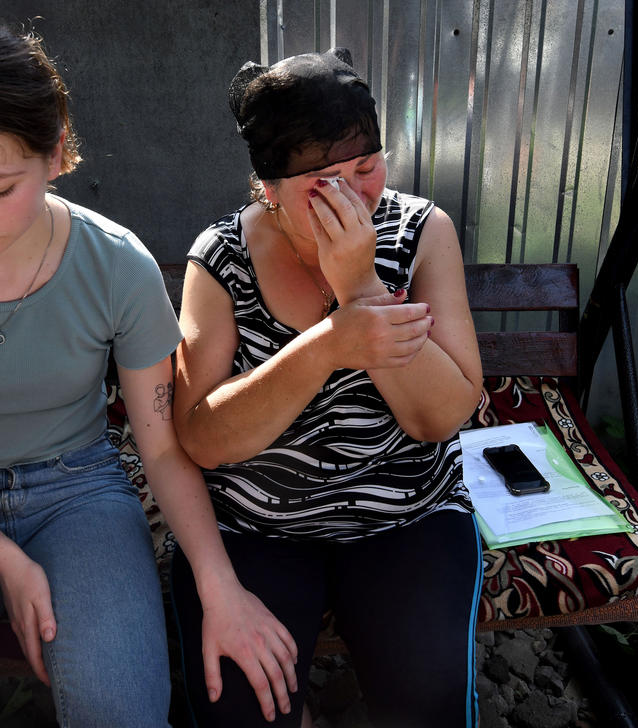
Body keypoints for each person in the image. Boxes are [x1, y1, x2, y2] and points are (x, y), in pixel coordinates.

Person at [0, 15, 296, 728]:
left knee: (120, 708)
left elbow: (160, 447)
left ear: (56, 151)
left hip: (83, 491)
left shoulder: (117, 264)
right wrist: (8, 560)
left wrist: (219, 585)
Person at [170, 50, 485, 728]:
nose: (350, 195)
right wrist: (330, 346)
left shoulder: (423, 231)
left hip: (407, 511)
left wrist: (360, 288)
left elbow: (442, 417)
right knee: (242, 709)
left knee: (429, 699)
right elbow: (200, 437)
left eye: (365, 169)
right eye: (319, 179)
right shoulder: (221, 258)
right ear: (267, 187)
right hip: (260, 525)